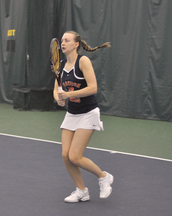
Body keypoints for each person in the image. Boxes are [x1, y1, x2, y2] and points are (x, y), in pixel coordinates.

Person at [53, 31, 113, 203]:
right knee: (65, 155)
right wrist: (59, 99)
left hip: (88, 113)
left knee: (75, 156)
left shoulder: (83, 61)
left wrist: (68, 95)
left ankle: (103, 177)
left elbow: (93, 88)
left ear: (76, 44)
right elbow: (56, 90)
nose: (63, 43)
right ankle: (81, 191)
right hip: (72, 113)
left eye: (67, 40)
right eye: (62, 40)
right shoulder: (60, 66)